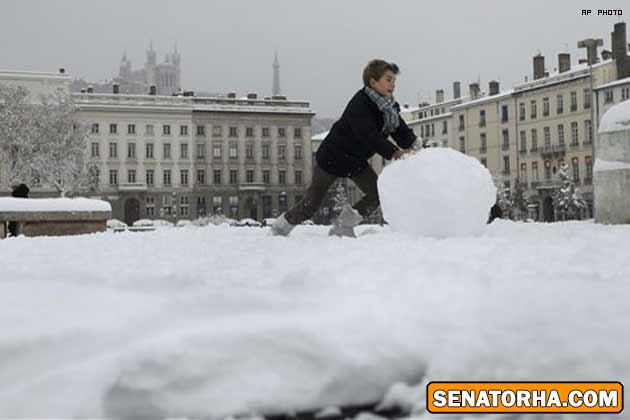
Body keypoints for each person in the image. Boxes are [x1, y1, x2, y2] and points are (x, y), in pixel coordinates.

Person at [271, 59, 419, 237]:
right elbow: (369, 134)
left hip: (355, 161)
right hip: (332, 157)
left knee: (377, 194)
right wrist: (394, 152)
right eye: (388, 80)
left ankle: (344, 225)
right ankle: (280, 228)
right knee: (311, 205)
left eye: (394, 81)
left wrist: (416, 145)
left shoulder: (389, 108)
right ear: (373, 81)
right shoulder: (360, 104)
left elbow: (399, 129)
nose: (393, 85)